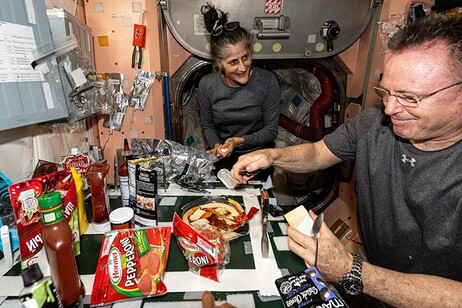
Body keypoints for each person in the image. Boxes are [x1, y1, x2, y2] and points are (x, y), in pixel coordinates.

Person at [231, 13, 462, 307]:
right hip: (375, 283)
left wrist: (349, 269)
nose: (390, 109)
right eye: (386, 92)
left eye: (409, 97)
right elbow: (317, 153)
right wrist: (271, 155)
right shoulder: (373, 123)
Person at [197, 4, 281, 179]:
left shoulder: (267, 81)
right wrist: (218, 145)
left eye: (245, 57)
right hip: (225, 158)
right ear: (219, 64)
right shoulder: (207, 85)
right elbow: (208, 126)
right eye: (233, 62)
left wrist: (237, 141)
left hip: (260, 157)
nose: (242, 67)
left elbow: (271, 131)